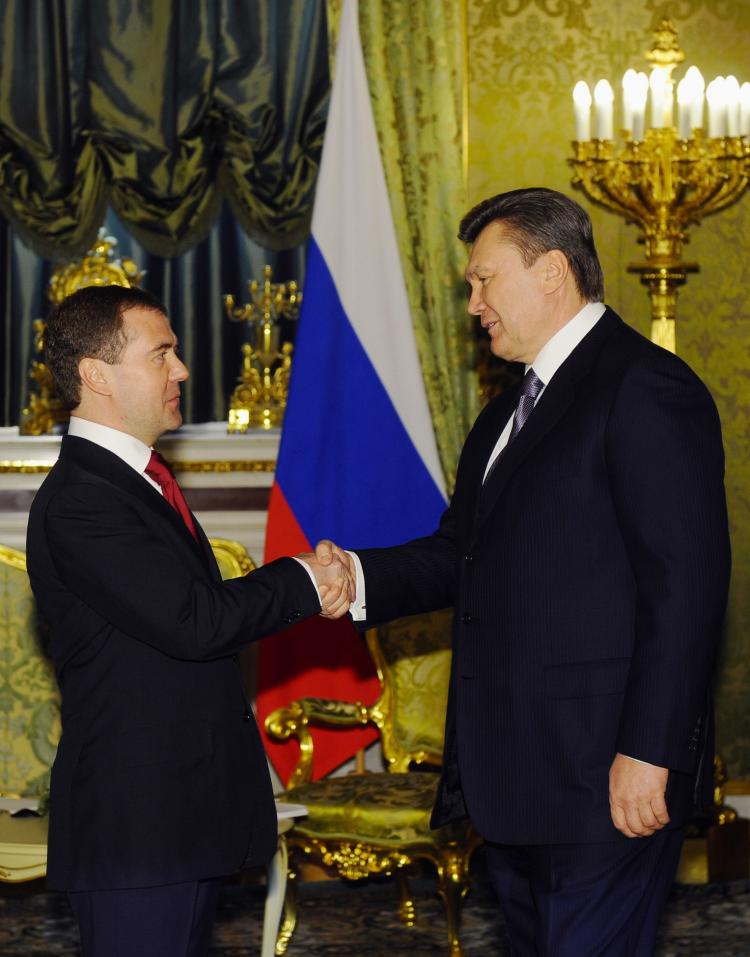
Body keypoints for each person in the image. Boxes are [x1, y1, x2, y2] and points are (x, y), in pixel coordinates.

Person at [316, 188, 731, 955]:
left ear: (550, 271)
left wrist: (649, 751)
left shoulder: (645, 388)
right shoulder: (507, 411)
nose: (473, 304)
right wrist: (355, 574)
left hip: (609, 775)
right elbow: (459, 554)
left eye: (483, 280)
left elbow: (686, 589)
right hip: (516, 783)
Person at [26, 284, 352, 957]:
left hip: (178, 813)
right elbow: (196, 621)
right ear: (96, 374)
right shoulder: (83, 499)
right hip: (138, 824)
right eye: (162, 354)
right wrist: (306, 577)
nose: (181, 370)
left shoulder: (138, 480)